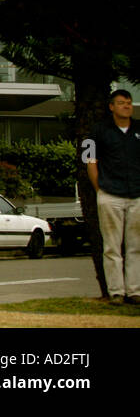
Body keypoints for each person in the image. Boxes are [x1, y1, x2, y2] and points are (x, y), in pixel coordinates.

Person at [87, 88, 140, 304]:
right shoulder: (98, 131)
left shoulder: (139, 129)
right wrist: (100, 190)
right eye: (121, 102)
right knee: (111, 246)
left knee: (136, 246)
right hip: (110, 194)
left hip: (136, 194)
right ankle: (116, 291)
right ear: (111, 107)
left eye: (129, 102)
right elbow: (90, 161)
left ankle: (135, 291)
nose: (126, 106)